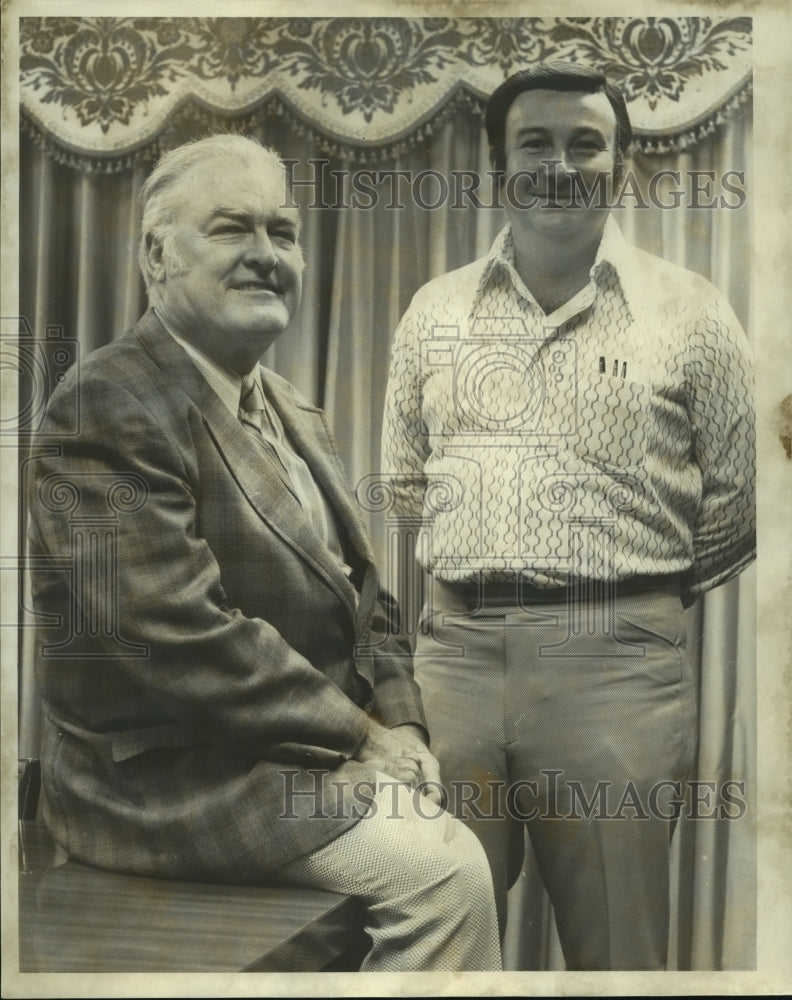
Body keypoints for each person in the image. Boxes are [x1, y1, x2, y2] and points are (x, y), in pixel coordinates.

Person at [26, 133, 501, 972]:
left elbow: (369, 607)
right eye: (231, 230)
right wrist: (360, 737)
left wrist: (402, 723)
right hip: (165, 784)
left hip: (279, 759)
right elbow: (178, 635)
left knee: (454, 814)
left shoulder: (290, 409)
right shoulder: (106, 401)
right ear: (156, 256)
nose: (265, 256)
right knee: (446, 873)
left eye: (282, 233)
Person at [381, 61, 755, 970]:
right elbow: (403, 482)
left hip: (618, 667)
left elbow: (739, 500)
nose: (561, 164)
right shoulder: (435, 312)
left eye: (586, 144)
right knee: (440, 935)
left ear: (620, 164)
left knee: (618, 952)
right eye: (534, 143)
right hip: (455, 661)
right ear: (500, 167)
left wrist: (630, 607)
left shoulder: (692, 314)